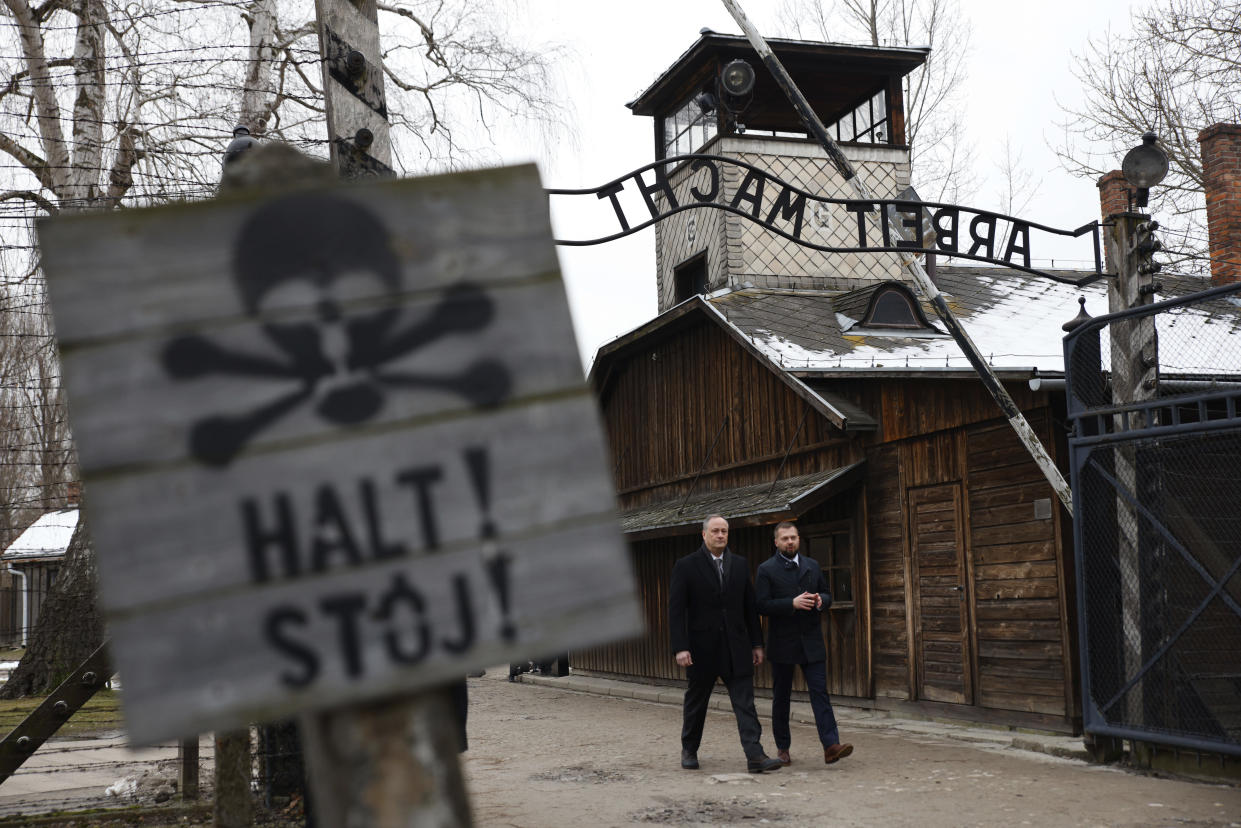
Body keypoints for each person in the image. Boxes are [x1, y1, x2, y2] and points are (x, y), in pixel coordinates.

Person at [669, 514, 783, 773]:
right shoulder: (686, 566)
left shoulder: (740, 565)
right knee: (696, 703)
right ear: (704, 534)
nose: (721, 535)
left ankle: (755, 755)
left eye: (724, 531)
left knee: (745, 703)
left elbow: (749, 608)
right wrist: (680, 646)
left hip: (737, 647)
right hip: (701, 649)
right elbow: (675, 610)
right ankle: (689, 748)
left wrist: (757, 643)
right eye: (716, 531)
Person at [755, 521, 854, 765]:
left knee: (820, 693)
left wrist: (822, 600)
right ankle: (783, 748)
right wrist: (791, 603)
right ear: (776, 542)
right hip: (783, 642)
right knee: (782, 697)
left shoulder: (812, 565)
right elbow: (761, 605)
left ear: (799, 539)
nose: (790, 542)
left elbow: (828, 593)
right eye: (785, 538)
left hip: (811, 641)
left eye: (794, 537)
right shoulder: (766, 569)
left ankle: (831, 746)